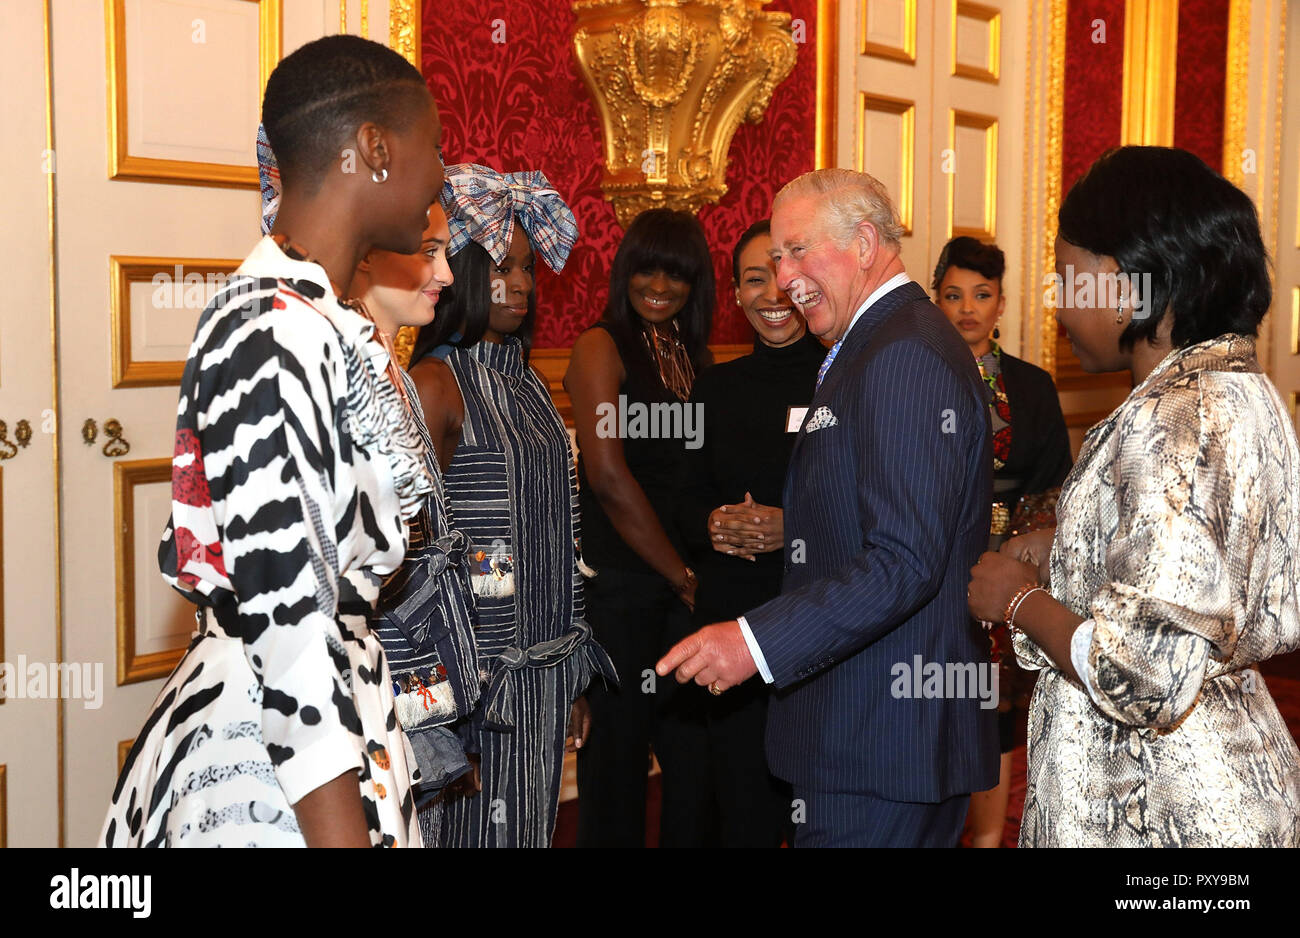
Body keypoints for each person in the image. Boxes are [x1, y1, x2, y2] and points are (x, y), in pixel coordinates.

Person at [102, 34, 446, 847]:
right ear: (375, 149)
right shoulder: (270, 329)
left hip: (339, 719)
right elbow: (286, 621)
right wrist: (339, 831)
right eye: (436, 150)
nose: (441, 178)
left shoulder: (322, 319)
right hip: (271, 761)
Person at [968, 146, 1300, 847]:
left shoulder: (1169, 420)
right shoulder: (1241, 390)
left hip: (1157, 809)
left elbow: (1144, 676)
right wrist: (1068, 548)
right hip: (1234, 771)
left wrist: (1019, 598)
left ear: (1123, 282)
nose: (1058, 307)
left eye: (1067, 279)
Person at [657, 168, 998, 847]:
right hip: (876, 734)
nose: (784, 278)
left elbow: (903, 562)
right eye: (777, 259)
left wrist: (753, 641)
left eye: (798, 251)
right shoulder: (880, 342)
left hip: (880, 738)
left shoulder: (902, 355)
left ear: (865, 243)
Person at [409, 163, 614, 847]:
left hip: (542, 679)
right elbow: (414, 552)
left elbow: (565, 537)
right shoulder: (435, 382)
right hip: (474, 689)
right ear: (461, 271)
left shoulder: (528, 382)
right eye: (501, 267)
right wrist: (438, 705)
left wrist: (574, 675)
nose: (521, 284)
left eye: (528, 268)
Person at [566, 208, 716, 847]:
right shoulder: (600, 345)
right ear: (625, 270)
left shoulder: (694, 353)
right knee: (617, 772)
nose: (659, 284)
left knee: (692, 766)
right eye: (646, 269)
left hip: (683, 589)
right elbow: (607, 476)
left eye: (676, 274)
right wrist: (680, 574)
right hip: (624, 589)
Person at [677, 219, 823, 846]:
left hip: (819, 622)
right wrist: (709, 523)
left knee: (821, 807)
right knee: (744, 810)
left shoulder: (843, 377)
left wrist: (794, 528)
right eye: (752, 279)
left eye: (781, 274)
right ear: (735, 294)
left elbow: (877, 509)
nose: (771, 293)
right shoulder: (712, 388)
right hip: (732, 626)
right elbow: (680, 501)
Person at [931, 235, 1072, 847]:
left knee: (995, 711)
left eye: (981, 295)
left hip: (1007, 567)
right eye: (953, 295)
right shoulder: (913, 377)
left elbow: (1051, 487)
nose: (968, 308)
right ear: (934, 301)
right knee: (925, 705)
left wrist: (1013, 552)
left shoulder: (1032, 385)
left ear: (1001, 303)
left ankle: (987, 840)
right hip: (928, 566)